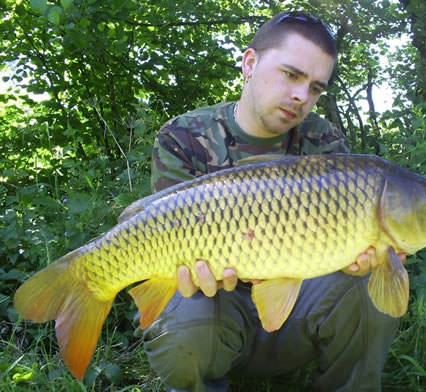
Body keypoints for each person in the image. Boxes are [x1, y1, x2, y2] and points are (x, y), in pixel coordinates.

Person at [137, 11, 401, 392]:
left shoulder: (323, 141)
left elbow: (347, 259)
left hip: (295, 313)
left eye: (315, 88)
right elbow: (161, 235)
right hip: (214, 310)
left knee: (370, 287)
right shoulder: (185, 137)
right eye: (291, 75)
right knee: (185, 313)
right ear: (250, 62)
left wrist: (360, 259)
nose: (301, 96)